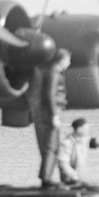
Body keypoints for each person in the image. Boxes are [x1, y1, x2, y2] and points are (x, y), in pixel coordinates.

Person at [26, 48, 71, 186]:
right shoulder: (54, 73)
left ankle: (48, 176)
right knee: (52, 146)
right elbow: (50, 94)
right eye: (68, 60)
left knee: (54, 146)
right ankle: (46, 178)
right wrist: (54, 115)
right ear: (62, 59)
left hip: (53, 111)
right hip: (53, 112)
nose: (69, 63)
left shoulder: (52, 72)